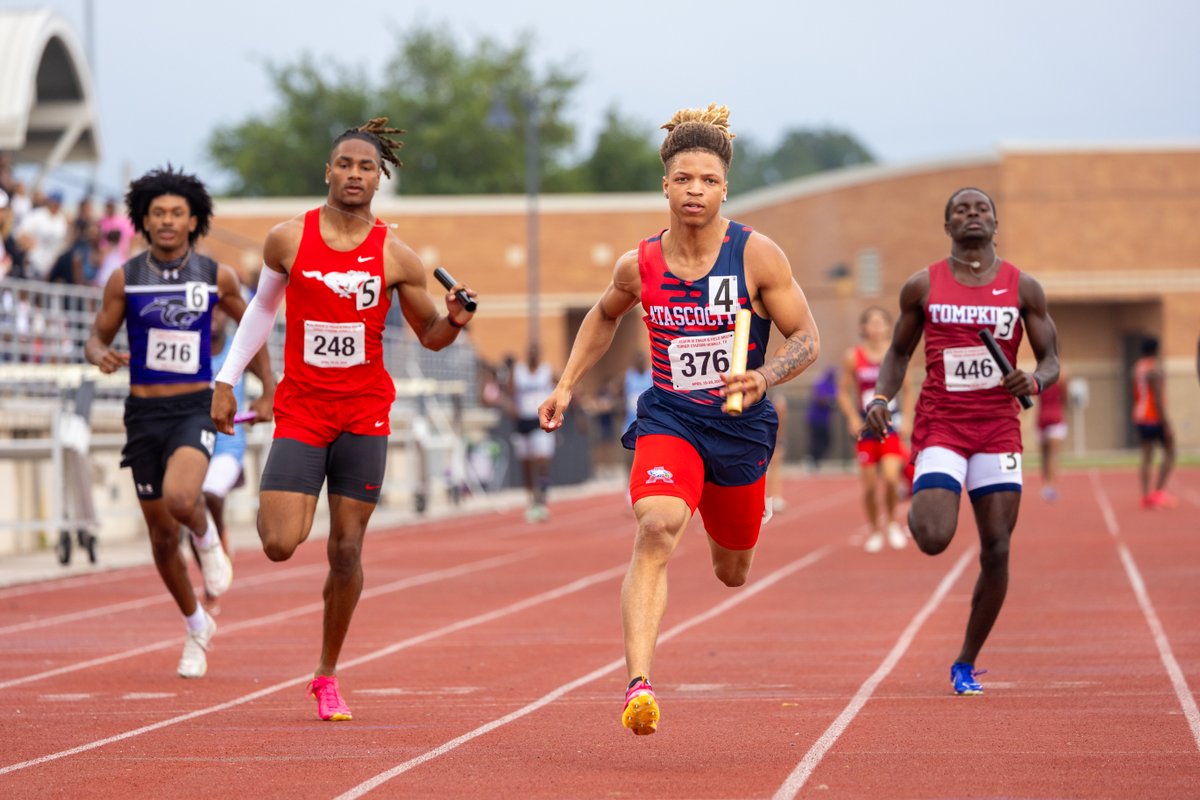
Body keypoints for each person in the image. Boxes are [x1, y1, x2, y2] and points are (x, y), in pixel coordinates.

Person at [539, 104, 820, 735]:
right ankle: (639, 683)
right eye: (684, 179)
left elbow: (807, 337)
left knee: (732, 570)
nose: (696, 190)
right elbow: (603, 316)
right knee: (657, 526)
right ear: (665, 184)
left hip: (740, 427)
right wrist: (565, 385)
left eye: (709, 181)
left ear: (725, 188)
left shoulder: (756, 256)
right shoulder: (639, 264)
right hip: (671, 419)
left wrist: (765, 375)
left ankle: (746, 513)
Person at [210, 118, 477, 722]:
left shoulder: (395, 254)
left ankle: (326, 674)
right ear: (327, 172)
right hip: (303, 409)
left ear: (379, 180)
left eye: (366, 167)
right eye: (344, 164)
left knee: (347, 550)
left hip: (363, 413)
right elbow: (259, 312)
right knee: (280, 543)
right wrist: (227, 380)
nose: (354, 174)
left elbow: (430, 336)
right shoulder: (286, 240)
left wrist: (456, 318)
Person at [865, 187, 1059, 696]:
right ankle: (922, 491)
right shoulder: (922, 286)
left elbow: (1053, 360)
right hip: (943, 425)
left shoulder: (1024, 290)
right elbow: (898, 352)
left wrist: (1034, 381)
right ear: (947, 225)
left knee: (996, 549)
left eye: (982, 210)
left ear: (995, 224)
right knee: (932, 537)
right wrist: (881, 398)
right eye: (960, 211)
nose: (972, 216)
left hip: (997, 428)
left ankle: (965, 662)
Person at [85, 165, 276, 678]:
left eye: (176, 213)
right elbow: (95, 336)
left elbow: (250, 326)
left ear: (194, 220)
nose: (167, 221)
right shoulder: (127, 277)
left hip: (194, 407)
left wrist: (267, 386)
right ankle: (196, 627)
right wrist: (99, 353)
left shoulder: (217, 275)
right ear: (143, 221)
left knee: (181, 500)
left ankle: (209, 541)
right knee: (162, 538)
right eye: (158, 214)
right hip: (143, 413)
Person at [191, 305, 249, 612]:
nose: (214, 317)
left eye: (219, 311)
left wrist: (268, 398)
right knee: (190, 512)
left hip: (229, 444)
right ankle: (210, 576)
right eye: (208, 312)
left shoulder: (239, 347)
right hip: (194, 442)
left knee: (209, 495)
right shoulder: (192, 350)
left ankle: (220, 532)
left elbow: (270, 375)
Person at [838, 306, 908, 552]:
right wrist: (851, 418)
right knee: (869, 486)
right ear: (864, 328)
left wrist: (908, 417)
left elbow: (907, 388)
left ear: (889, 327)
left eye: (881, 322)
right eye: (872, 322)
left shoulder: (895, 353)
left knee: (890, 479)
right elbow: (843, 392)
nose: (877, 327)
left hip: (891, 425)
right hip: (866, 426)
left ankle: (890, 522)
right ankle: (875, 529)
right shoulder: (853, 356)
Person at [510, 343, 557, 521]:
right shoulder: (519, 371)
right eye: (530, 352)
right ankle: (531, 501)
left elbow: (560, 389)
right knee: (526, 464)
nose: (533, 356)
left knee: (542, 460)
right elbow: (510, 393)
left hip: (540, 421)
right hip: (523, 420)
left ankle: (542, 498)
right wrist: (512, 407)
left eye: (536, 352)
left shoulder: (547, 371)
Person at [1131, 337, 1176, 509]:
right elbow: (1158, 399)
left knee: (1146, 456)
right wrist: (1166, 423)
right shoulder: (1155, 370)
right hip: (1153, 417)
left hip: (1140, 416)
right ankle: (1158, 492)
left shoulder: (1136, 368)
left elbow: (1135, 393)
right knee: (1171, 451)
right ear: (1156, 350)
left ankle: (1145, 495)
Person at [16, 189, 69, 281]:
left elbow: (61, 245)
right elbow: (20, 233)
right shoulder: (37, 214)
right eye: (54, 201)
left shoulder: (62, 221)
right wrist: (29, 244)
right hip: (31, 262)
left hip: (48, 267)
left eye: (57, 202)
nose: (55, 205)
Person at [1035, 367, 1068, 502]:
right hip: (1055, 417)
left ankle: (1046, 484)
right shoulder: (1063, 375)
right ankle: (1050, 486)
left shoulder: (1039, 374)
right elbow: (1065, 398)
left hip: (1042, 416)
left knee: (1045, 455)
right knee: (1052, 455)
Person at [805, 365, 838, 466]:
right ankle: (812, 460)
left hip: (825, 420)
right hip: (815, 418)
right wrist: (829, 402)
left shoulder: (833, 386)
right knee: (816, 440)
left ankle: (815, 459)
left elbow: (836, 399)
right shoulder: (820, 383)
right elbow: (819, 398)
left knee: (827, 441)